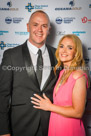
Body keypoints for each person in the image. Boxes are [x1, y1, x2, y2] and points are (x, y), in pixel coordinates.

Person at [0, 10, 58, 136]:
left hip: (50, 127)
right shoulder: (11, 55)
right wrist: (3, 131)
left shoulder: (58, 55)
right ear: (27, 27)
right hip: (20, 126)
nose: (39, 30)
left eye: (44, 26)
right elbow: (2, 95)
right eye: (35, 24)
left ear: (49, 29)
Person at [31, 34, 90, 136]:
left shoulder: (78, 76)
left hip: (70, 129)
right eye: (61, 46)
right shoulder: (62, 72)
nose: (64, 51)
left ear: (76, 53)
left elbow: (78, 112)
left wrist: (49, 106)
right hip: (55, 127)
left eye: (70, 48)